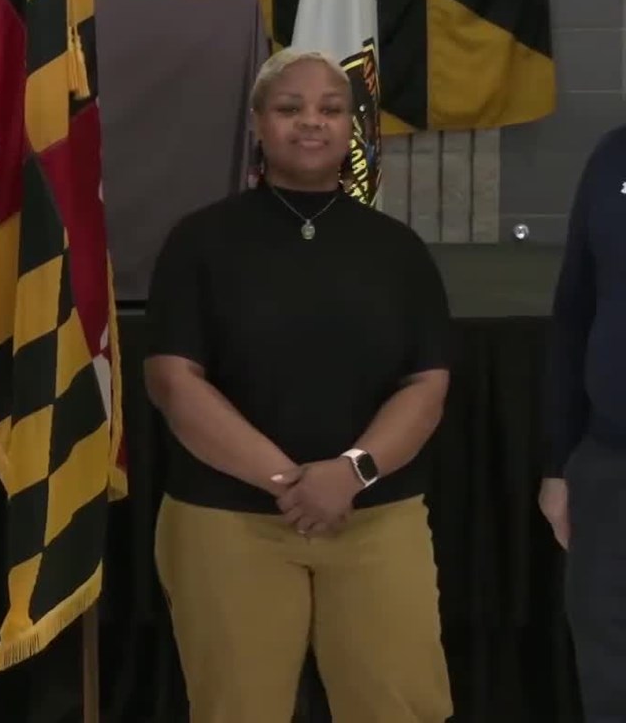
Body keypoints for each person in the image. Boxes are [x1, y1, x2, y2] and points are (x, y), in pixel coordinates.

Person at [142, 48, 453, 722]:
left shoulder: (397, 250)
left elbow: (426, 385)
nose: (311, 121)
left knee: (398, 704)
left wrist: (348, 474)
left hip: (376, 516)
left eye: (330, 109)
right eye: (290, 108)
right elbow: (173, 382)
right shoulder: (199, 242)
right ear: (258, 123)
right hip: (227, 521)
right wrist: (292, 484)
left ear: (351, 128)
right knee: (238, 708)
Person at [541, 124, 626, 721]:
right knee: (609, 673)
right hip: (608, 463)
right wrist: (558, 464)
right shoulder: (613, 156)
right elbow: (574, 310)